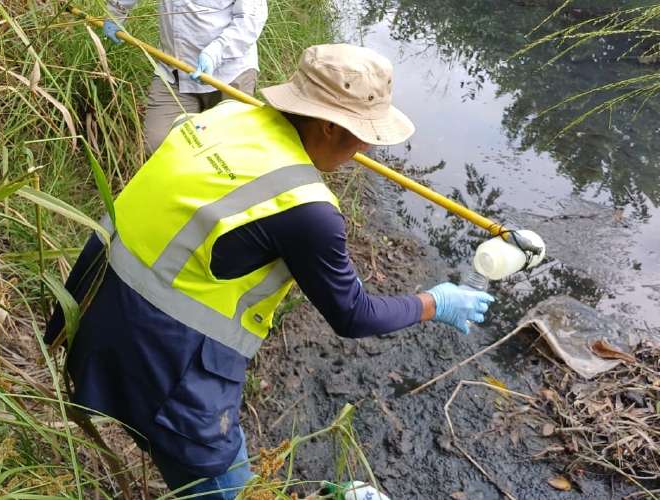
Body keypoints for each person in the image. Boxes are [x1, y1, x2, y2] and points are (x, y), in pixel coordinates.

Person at [46, 43, 495, 499]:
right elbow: (353, 314)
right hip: (162, 355)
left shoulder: (224, 116)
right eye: (363, 134)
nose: (365, 147)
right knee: (228, 490)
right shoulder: (307, 211)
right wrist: (433, 303)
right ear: (326, 125)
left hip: (91, 301)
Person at [103, 0, 268, 152]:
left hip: (230, 74)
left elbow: (251, 19)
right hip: (174, 72)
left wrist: (215, 53)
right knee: (158, 146)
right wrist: (115, 13)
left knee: (228, 151)